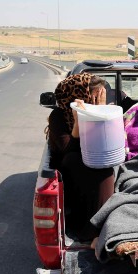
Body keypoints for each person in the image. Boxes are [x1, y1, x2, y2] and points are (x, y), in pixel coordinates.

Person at [46, 73, 115, 242]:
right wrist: (78, 123)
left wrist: (100, 112)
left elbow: (106, 142)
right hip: (70, 164)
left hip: (94, 158)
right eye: (96, 95)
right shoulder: (59, 116)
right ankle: (93, 231)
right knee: (97, 169)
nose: (99, 99)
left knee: (108, 164)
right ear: (81, 96)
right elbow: (67, 151)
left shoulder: (102, 109)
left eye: (101, 94)